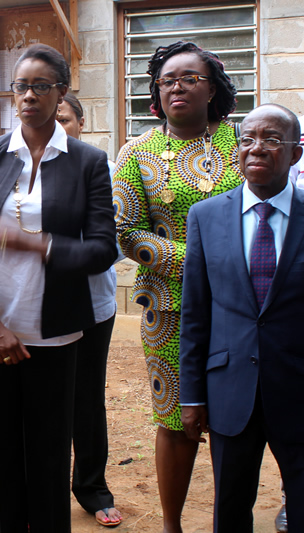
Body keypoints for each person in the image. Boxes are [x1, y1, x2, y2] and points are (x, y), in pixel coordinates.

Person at [0, 44, 117, 532]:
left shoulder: (87, 162)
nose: (29, 95)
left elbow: (102, 249)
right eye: (21, 86)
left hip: (56, 334)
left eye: (41, 86)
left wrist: (35, 243)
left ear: (62, 92)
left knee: (49, 454)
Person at [113, 41, 243, 533]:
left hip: (241, 305)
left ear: (212, 89)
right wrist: (202, 260)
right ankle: (171, 524)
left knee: (239, 411)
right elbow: (126, 231)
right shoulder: (138, 152)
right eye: (167, 80)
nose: (177, 87)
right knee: (175, 417)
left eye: (189, 78)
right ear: (156, 92)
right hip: (169, 309)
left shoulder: (240, 142)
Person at [179, 103, 304, 532]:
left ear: (295, 153)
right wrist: (192, 396)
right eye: (248, 139)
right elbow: (195, 314)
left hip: (298, 389)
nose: (257, 149)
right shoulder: (206, 216)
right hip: (230, 392)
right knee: (230, 507)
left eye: (272, 140)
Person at [57, 94, 122, 527]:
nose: (57, 126)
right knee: (44, 401)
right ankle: (42, 487)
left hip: (93, 304)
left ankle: (92, 486)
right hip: (33, 308)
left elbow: (110, 245)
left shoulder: (102, 168)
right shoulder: (18, 167)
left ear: (81, 123)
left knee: (86, 395)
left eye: (64, 118)